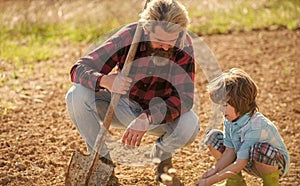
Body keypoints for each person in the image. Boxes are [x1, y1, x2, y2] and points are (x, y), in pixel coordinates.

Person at [66, 0, 200, 184]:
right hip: (122, 107)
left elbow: (185, 99)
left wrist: (148, 117)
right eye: (160, 41)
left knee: (189, 125)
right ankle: (102, 162)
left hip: (158, 115)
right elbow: (78, 69)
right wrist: (106, 81)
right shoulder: (129, 36)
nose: (167, 47)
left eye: (172, 41)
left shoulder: (183, 43)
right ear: (146, 29)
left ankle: (162, 159)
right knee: (76, 94)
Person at [195, 68, 290, 186]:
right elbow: (230, 151)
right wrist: (213, 171)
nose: (220, 109)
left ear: (240, 103)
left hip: (273, 163)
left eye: (225, 105)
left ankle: (271, 183)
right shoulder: (230, 120)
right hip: (246, 159)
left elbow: (240, 163)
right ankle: (235, 182)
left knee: (259, 149)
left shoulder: (256, 126)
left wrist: (209, 181)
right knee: (214, 137)